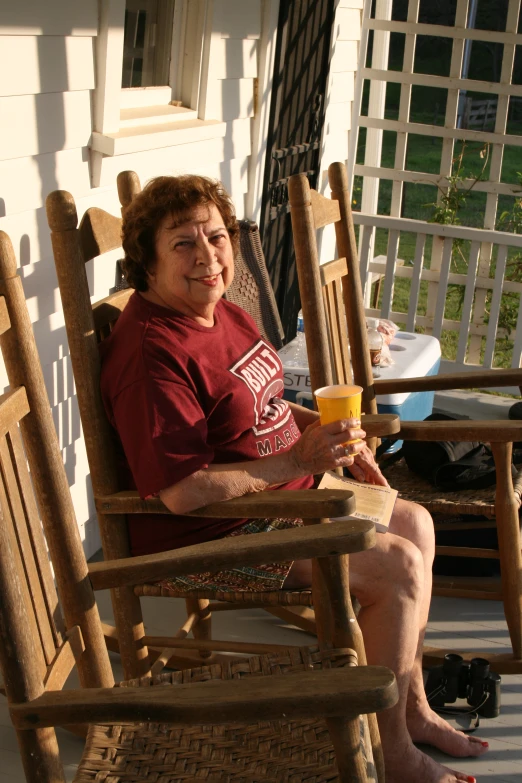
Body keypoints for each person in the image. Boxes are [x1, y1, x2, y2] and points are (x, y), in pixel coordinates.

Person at [100, 175, 487, 783]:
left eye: (218, 236)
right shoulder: (153, 354)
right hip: (213, 532)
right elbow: (182, 493)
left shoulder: (221, 309)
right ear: (145, 261)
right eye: (183, 243)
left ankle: (411, 707)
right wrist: (300, 462)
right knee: (397, 566)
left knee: (416, 519)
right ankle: (393, 753)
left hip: (287, 496)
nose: (208, 255)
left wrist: (330, 438)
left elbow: (271, 402)